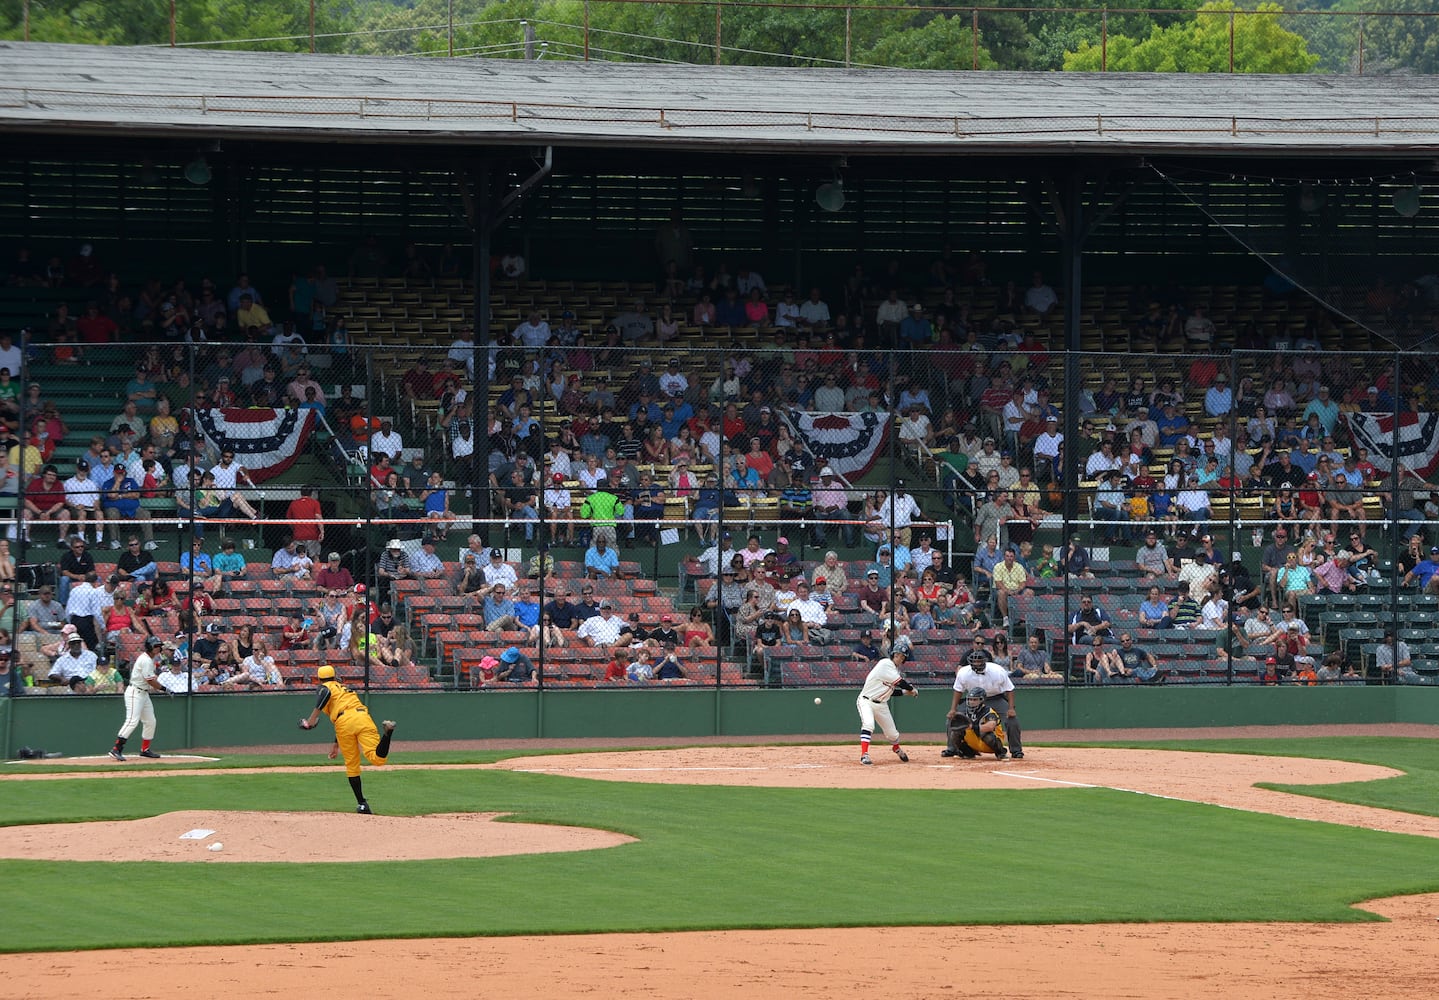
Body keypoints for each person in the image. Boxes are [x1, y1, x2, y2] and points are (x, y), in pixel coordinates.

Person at [297, 664, 396, 814]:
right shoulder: (344, 689)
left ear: (319, 679)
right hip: (362, 716)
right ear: (335, 677)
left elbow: (324, 693)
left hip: (343, 722)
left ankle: (362, 804)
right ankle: (387, 733)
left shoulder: (324, 687)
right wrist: (336, 745)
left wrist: (310, 721)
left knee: (352, 765)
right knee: (377, 759)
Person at [946, 648, 1025, 759]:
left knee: (1012, 720)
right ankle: (952, 748)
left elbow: (1010, 689)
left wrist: (1011, 708)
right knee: (953, 719)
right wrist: (953, 709)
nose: (977, 664)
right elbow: (958, 690)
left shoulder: (997, 671)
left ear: (985, 661)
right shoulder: (963, 672)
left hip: (995, 698)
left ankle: (1016, 750)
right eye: (974, 661)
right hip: (973, 700)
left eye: (979, 661)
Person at [855, 637, 918, 766]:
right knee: (868, 724)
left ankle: (896, 748)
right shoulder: (885, 664)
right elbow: (900, 683)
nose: (899, 657)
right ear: (893, 654)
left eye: (902, 656)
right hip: (866, 701)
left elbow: (891, 692)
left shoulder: (894, 671)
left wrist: (907, 693)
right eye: (898, 654)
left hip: (881, 705)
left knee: (892, 734)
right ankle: (864, 755)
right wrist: (912, 689)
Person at [107, 635, 170, 760]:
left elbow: (150, 680)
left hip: (143, 693)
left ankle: (145, 749)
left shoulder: (150, 660)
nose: (158, 649)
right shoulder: (146, 660)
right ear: (149, 647)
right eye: (155, 646)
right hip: (135, 692)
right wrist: (164, 689)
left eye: (159, 646)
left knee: (150, 721)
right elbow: (151, 681)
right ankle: (116, 749)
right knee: (132, 721)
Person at [946, 686, 1008, 759]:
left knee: (985, 733)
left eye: (975, 700)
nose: (972, 702)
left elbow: (991, 726)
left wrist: (972, 726)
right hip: (974, 742)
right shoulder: (965, 712)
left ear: (982, 700)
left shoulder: (988, 711)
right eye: (970, 699)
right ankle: (967, 752)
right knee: (955, 731)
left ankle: (1000, 752)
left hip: (991, 744)